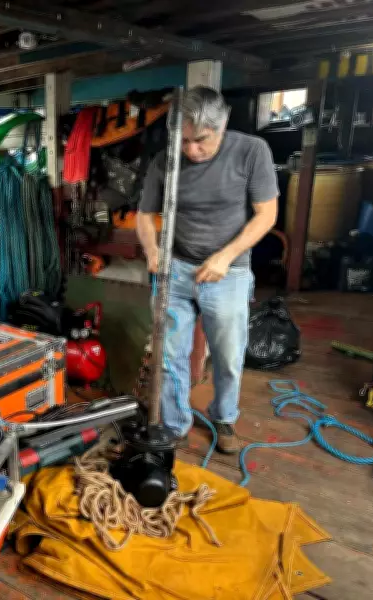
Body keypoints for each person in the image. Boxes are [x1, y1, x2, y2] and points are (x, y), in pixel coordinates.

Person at [136, 86, 278, 454]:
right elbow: (144, 216)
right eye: (183, 141)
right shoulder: (164, 160)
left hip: (228, 271)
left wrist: (225, 256)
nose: (190, 150)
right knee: (169, 354)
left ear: (223, 123)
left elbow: (267, 214)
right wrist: (153, 250)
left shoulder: (251, 151)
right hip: (177, 270)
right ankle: (174, 423)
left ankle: (224, 415)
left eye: (200, 140)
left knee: (229, 354)